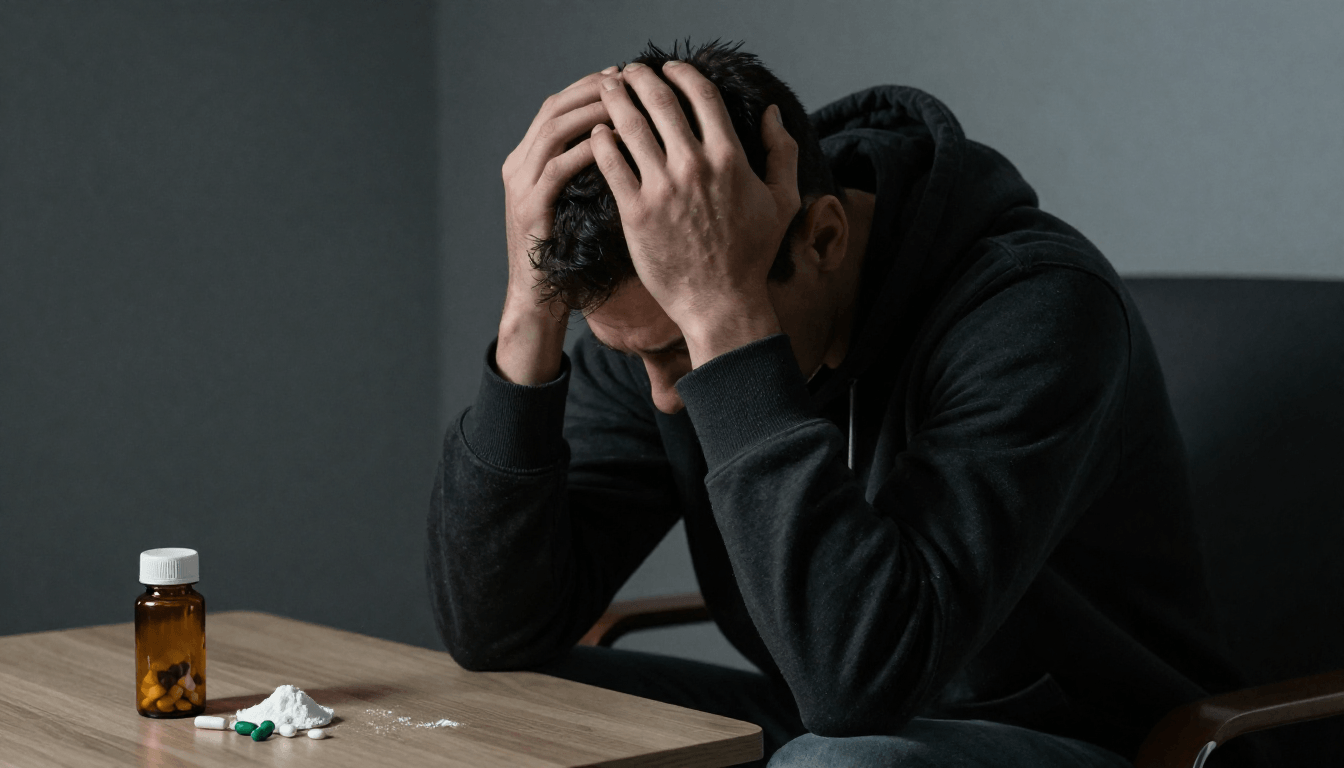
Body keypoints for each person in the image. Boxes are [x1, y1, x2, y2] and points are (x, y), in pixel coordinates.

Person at [426, 40, 1268, 767]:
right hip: (837, 714)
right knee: (500, 704)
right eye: (632, 352)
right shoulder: (656, 315)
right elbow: (495, 632)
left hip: (1091, 741)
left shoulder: (1037, 312)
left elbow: (858, 683)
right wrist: (528, 310)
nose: (666, 397)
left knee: (839, 761)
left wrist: (724, 321)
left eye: (683, 347)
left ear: (824, 237)